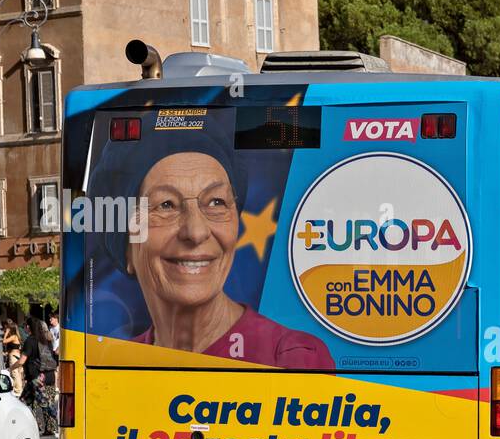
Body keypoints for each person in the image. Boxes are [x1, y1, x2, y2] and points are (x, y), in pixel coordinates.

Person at [99, 132, 333, 370]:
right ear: (126, 247)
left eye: (216, 202)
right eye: (166, 205)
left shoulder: (293, 358)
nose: (196, 232)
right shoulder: (114, 368)